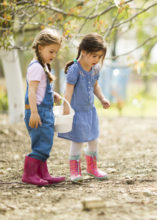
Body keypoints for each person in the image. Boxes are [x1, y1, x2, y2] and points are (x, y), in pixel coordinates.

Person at [58, 33, 110, 182]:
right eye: (94, 56)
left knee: (94, 139)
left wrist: (102, 98)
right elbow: (68, 92)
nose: (97, 60)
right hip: (77, 112)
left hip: (90, 112)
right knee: (78, 141)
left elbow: (95, 85)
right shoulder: (75, 70)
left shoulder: (95, 69)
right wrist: (65, 109)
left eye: (99, 57)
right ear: (83, 52)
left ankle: (92, 167)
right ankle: (75, 170)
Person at [23, 29, 65, 186]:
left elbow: (40, 89)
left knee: (45, 143)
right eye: (51, 51)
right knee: (41, 144)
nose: (53, 55)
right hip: (38, 112)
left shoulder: (44, 66)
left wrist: (52, 94)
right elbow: (31, 92)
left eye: (55, 52)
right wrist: (34, 113)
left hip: (45, 111)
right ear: (40, 48)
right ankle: (29, 174)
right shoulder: (36, 67)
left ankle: (43, 173)